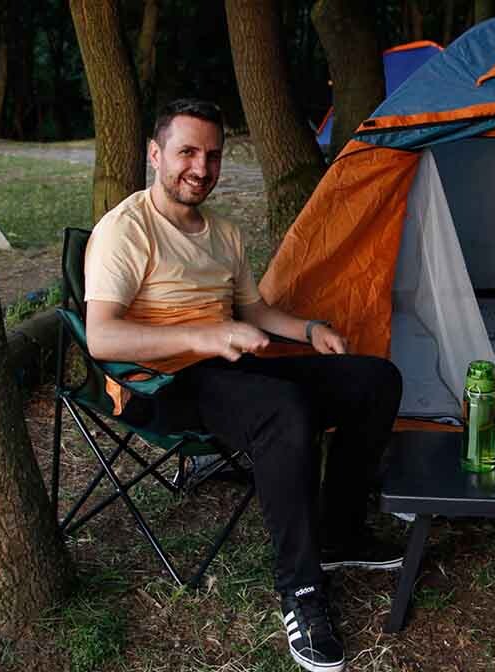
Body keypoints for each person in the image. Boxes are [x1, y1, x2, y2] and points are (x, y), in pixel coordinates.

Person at [84, 98, 403, 672]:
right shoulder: (125, 230)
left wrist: (309, 329)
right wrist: (206, 336)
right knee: (283, 409)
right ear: (155, 155)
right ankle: (301, 594)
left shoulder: (223, 232)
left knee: (374, 379)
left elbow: (254, 311)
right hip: (161, 385)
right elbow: (102, 338)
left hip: (226, 367)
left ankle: (342, 533)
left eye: (211, 156)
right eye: (186, 152)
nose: (200, 169)